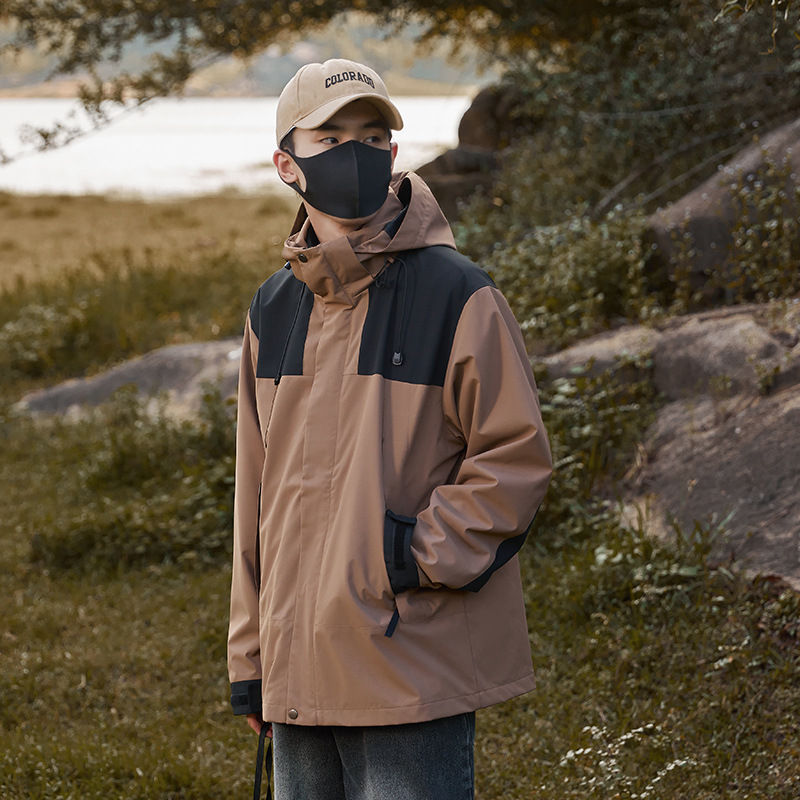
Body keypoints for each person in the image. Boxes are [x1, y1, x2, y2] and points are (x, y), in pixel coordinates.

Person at [227, 57, 553, 800]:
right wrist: (251, 658)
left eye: (373, 136)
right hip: (296, 668)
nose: (356, 152)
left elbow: (516, 459)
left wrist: (412, 556)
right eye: (331, 137)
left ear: (394, 152)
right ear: (286, 164)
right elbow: (255, 498)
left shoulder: (459, 294)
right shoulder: (272, 309)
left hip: (411, 660)